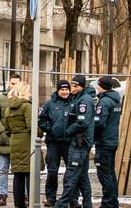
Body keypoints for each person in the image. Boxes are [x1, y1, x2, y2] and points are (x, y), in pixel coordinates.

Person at [55, 74, 95, 208]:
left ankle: (60, 205)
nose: (73, 88)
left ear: (82, 86)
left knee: (70, 177)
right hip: (78, 142)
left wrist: (68, 131)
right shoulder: (79, 98)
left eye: (76, 86)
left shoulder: (84, 100)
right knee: (83, 178)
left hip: (80, 143)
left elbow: (82, 123)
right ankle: (87, 205)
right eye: (72, 85)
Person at [38, 80, 72, 207]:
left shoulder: (74, 103)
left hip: (69, 143)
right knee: (52, 172)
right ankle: (50, 198)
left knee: (71, 173)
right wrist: (50, 129)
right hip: (53, 144)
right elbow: (41, 121)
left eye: (66, 89)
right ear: (58, 91)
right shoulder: (50, 104)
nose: (64, 92)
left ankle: (70, 198)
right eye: (62, 90)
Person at [0, 73, 21, 206]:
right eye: (12, 83)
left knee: (21, 171)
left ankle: (23, 195)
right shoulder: (1, 98)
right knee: (3, 169)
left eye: (17, 83)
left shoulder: (25, 98)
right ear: (9, 83)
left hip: (20, 141)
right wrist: (2, 131)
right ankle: (2, 195)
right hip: (5, 140)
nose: (14, 85)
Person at [4, 82, 34, 208]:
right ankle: (32, 203)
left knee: (18, 176)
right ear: (23, 92)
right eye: (28, 91)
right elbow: (31, 126)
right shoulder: (27, 106)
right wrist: (40, 131)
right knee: (30, 174)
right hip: (27, 142)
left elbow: (7, 129)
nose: (30, 94)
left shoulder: (8, 108)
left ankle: (19, 205)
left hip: (15, 143)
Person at [94, 76, 122, 208]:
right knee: (110, 173)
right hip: (112, 140)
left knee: (104, 174)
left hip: (104, 142)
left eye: (98, 85)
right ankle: (113, 202)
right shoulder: (116, 100)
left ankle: (107, 204)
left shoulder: (104, 102)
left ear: (102, 86)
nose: (96, 87)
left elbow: (99, 122)